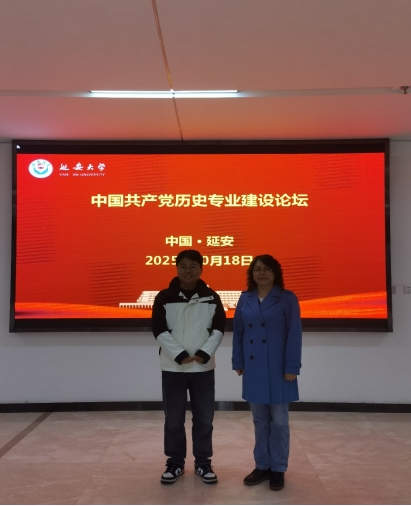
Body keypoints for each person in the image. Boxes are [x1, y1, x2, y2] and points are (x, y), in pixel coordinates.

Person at [152, 249, 226, 485]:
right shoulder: (164, 297)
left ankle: (203, 463)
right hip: (173, 368)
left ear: (201, 269)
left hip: (203, 369)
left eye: (193, 266)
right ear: (176, 268)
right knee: (173, 419)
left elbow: (219, 328)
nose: (188, 270)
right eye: (183, 266)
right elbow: (158, 329)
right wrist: (179, 354)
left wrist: (204, 353)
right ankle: (175, 463)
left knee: (204, 418)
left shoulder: (211, 297)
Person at [232, 254, 302, 491]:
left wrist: (292, 366)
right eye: (257, 269)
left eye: (267, 269)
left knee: (279, 422)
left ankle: (278, 468)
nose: (261, 273)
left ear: (275, 273)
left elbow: (294, 334)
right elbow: (238, 333)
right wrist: (238, 360)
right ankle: (262, 465)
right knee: (260, 420)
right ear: (251, 273)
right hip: (254, 367)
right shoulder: (245, 298)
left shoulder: (287, 298)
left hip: (280, 369)